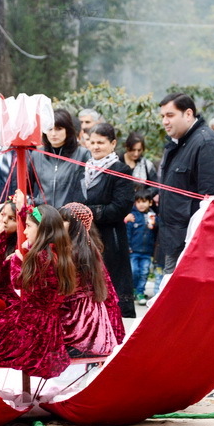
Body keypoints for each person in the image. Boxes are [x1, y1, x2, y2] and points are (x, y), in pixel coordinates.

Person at [0, 203, 77, 379]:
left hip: (31, 328)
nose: (25, 232)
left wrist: (18, 259)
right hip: (49, 327)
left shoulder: (41, 257)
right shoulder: (59, 253)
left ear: (41, 229)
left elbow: (18, 283)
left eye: (28, 226)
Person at [159, 93, 214, 273]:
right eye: (162, 116)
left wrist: (201, 246)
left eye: (170, 115)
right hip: (174, 240)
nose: (165, 122)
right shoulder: (178, 144)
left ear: (188, 114)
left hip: (193, 247)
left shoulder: (206, 144)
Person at [81, 123, 135, 318]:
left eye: (101, 143)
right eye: (92, 142)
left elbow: (120, 207)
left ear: (112, 144)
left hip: (110, 238)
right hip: (84, 238)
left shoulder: (121, 170)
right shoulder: (82, 169)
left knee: (111, 285)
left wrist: (87, 212)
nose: (95, 147)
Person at [58, 202, 119, 356]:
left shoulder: (74, 253)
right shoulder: (88, 248)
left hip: (78, 317)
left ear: (75, 225)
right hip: (90, 315)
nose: (59, 224)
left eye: (64, 221)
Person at [30, 108, 90, 207]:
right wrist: (37, 214)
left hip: (70, 217)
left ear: (68, 130)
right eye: (50, 129)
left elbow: (89, 190)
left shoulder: (83, 154)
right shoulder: (37, 155)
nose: (53, 134)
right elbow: (26, 191)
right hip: (42, 218)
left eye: (59, 129)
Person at [126, 189, 157, 305]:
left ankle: (140, 292)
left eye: (144, 202)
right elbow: (128, 232)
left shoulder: (152, 215)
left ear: (150, 203)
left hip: (147, 251)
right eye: (138, 202)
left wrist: (155, 224)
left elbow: (156, 232)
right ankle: (133, 289)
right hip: (133, 250)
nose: (141, 204)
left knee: (144, 272)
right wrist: (128, 246)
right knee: (134, 271)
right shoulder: (132, 216)